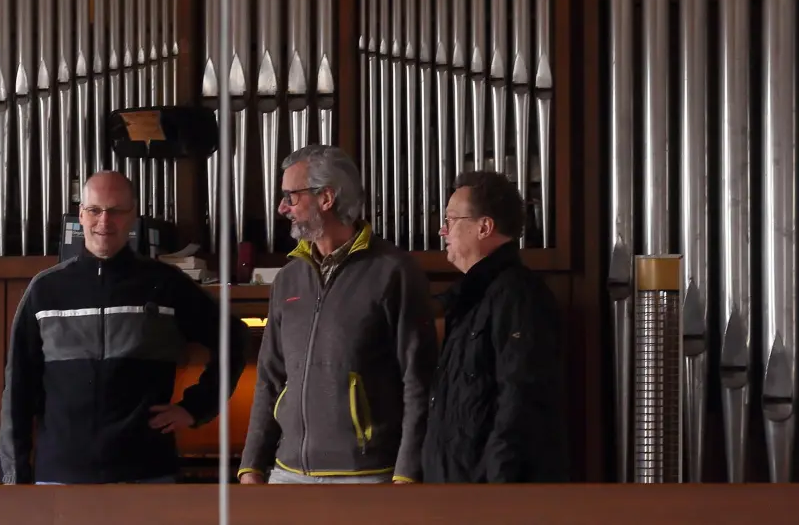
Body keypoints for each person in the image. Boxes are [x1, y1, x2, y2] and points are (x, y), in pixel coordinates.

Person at [0, 170, 245, 484]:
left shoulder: (165, 285)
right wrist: (13, 477)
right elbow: (17, 389)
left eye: (115, 211)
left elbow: (234, 337)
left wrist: (195, 408)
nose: (104, 221)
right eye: (95, 210)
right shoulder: (45, 290)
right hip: (60, 476)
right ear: (81, 215)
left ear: (133, 218)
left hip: (147, 474)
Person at [238, 145, 437, 485]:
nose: (282, 207)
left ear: (326, 198)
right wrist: (251, 465)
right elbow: (270, 378)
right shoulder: (288, 278)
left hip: (366, 476)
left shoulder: (393, 271)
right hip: (286, 475)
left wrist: (406, 474)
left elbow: (418, 380)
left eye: (291, 196)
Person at [422, 169, 567, 483]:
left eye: (450, 220)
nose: (441, 231)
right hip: (456, 490)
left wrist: (496, 494)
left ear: (484, 227)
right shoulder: (469, 299)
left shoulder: (519, 296)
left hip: (488, 497)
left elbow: (520, 403)